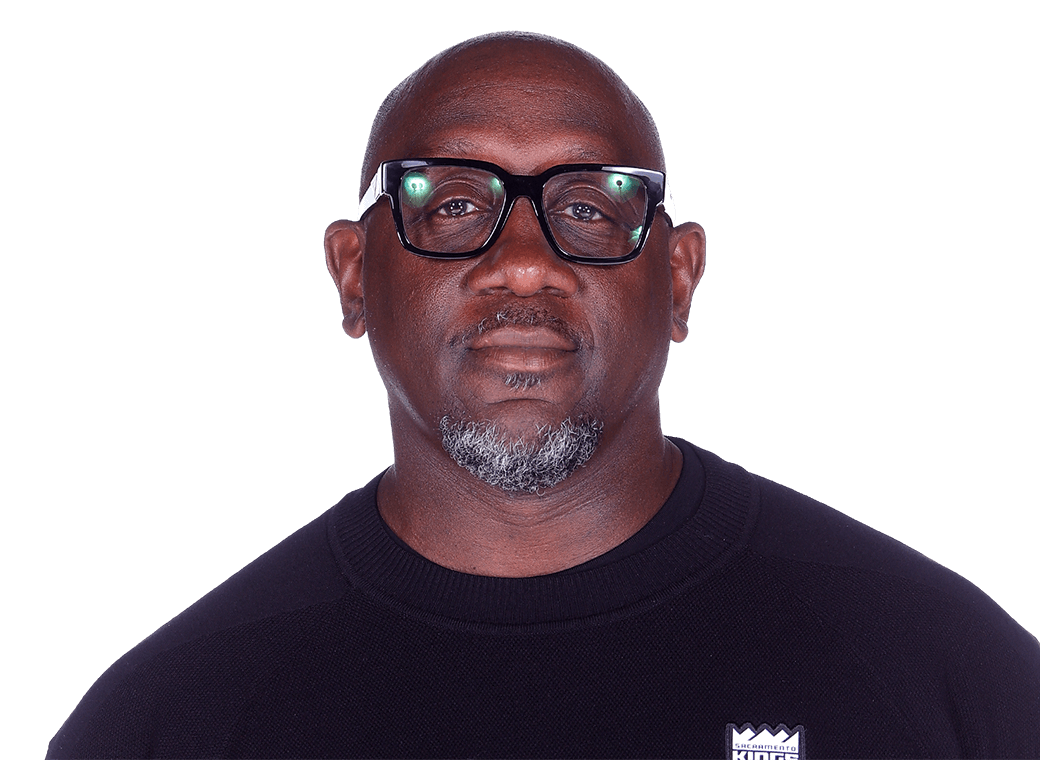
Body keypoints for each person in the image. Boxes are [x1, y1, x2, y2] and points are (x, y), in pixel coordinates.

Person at [49, 32, 1038, 759]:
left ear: (678, 279)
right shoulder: (164, 722)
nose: (522, 263)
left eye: (589, 207)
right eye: (451, 203)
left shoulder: (948, 675)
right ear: (353, 277)